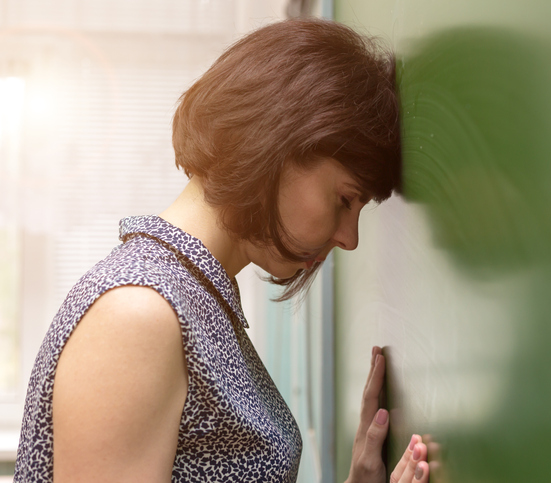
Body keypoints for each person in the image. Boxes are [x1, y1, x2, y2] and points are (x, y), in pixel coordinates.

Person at [13, 18, 429, 483]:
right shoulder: (139, 313)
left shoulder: (195, 297)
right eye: (345, 200)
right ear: (278, 143)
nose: (349, 238)